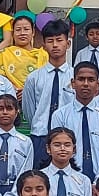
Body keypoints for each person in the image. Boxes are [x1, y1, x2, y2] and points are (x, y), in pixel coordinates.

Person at [22, 19, 74, 165]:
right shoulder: (34, 78)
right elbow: (29, 110)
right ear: (44, 46)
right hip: (40, 136)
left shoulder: (76, 77)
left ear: (68, 44)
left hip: (68, 137)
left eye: (59, 40)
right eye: (50, 41)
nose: (55, 45)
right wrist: (40, 123)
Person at [52, 61, 99, 179]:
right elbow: (59, 151)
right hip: (70, 179)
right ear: (73, 83)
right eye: (81, 79)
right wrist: (74, 181)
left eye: (91, 80)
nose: (85, 84)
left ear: (98, 84)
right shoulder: (60, 115)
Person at [0, 12, 46, 98]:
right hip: (9, 98)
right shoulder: (3, 54)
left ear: (33, 32)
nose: (22, 33)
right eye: (18, 30)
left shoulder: (43, 55)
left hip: (36, 99)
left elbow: (47, 79)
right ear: (12, 33)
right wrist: (13, 89)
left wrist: (28, 90)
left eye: (26, 29)